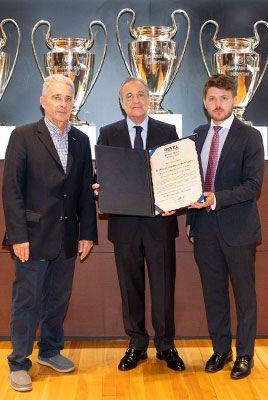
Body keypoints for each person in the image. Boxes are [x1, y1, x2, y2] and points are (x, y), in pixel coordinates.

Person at [1, 73, 98, 392]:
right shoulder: (23, 136)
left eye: (68, 98)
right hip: (32, 237)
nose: (63, 104)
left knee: (58, 299)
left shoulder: (80, 140)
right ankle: (19, 362)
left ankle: (50, 350)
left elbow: (85, 192)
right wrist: (18, 236)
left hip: (67, 237)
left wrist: (87, 233)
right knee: (27, 301)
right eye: (57, 97)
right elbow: (11, 190)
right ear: (43, 101)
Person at [93, 77, 185, 372]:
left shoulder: (167, 131)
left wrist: (177, 198)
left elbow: (177, 173)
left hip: (160, 225)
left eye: (141, 94)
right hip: (124, 227)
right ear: (121, 103)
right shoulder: (108, 134)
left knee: (163, 288)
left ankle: (166, 345)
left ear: (150, 99)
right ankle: (137, 344)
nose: (136, 100)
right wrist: (99, 187)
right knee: (129, 288)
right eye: (129, 96)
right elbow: (101, 176)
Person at [186, 74, 265, 380]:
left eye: (223, 98)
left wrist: (216, 198)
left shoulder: (250, 136)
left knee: (244, 296)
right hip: (204, 229)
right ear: (205, 102)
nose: (217, 104)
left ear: (234, 100)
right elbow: (191, 183)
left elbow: (253, 186)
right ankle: (221, 350)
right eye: (212, 98)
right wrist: (191, 223)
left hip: (239, 229)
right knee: (213, 293)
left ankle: (244, 355)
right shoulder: (197, 135)